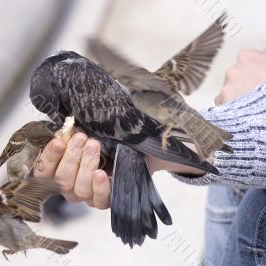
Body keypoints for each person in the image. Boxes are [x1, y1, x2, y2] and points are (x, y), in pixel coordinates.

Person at [34, 49, 266, 265]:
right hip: (225, 190)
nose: (55, 114)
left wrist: (247, 108)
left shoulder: (69, 73)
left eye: (53, 107)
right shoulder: (69, 74)